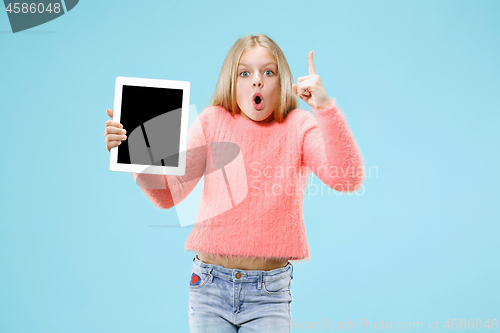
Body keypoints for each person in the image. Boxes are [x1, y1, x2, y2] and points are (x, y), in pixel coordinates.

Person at [104, 34, 364, 333]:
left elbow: (347, 178)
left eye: (269, 72)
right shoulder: (212, 122)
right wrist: (135, 156)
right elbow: (167, 196)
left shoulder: (298, 126)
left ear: (283, 81)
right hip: (209, 287)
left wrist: (324, 108)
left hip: (269, 294)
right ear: (232, 81)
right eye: (245, 73)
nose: (257, 81)